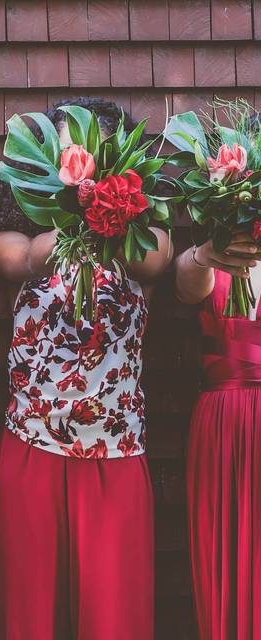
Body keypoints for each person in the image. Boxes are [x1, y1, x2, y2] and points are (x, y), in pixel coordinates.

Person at [0, 98, 173, 639]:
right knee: (28, 616)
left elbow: (154, 260)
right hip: (32, 449)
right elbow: (22, 261)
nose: (77, 157)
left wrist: (113, 215)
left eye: (89, 148)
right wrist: (77, 215)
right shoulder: (15, 238)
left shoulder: (145, 238)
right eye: (65, 149)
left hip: (115, 453)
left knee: (113, 619)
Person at [176, 223, 261, 638]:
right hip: (224, 421)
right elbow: (187, 287)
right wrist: (208, 252)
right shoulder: (216, 246)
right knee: (224, 557)